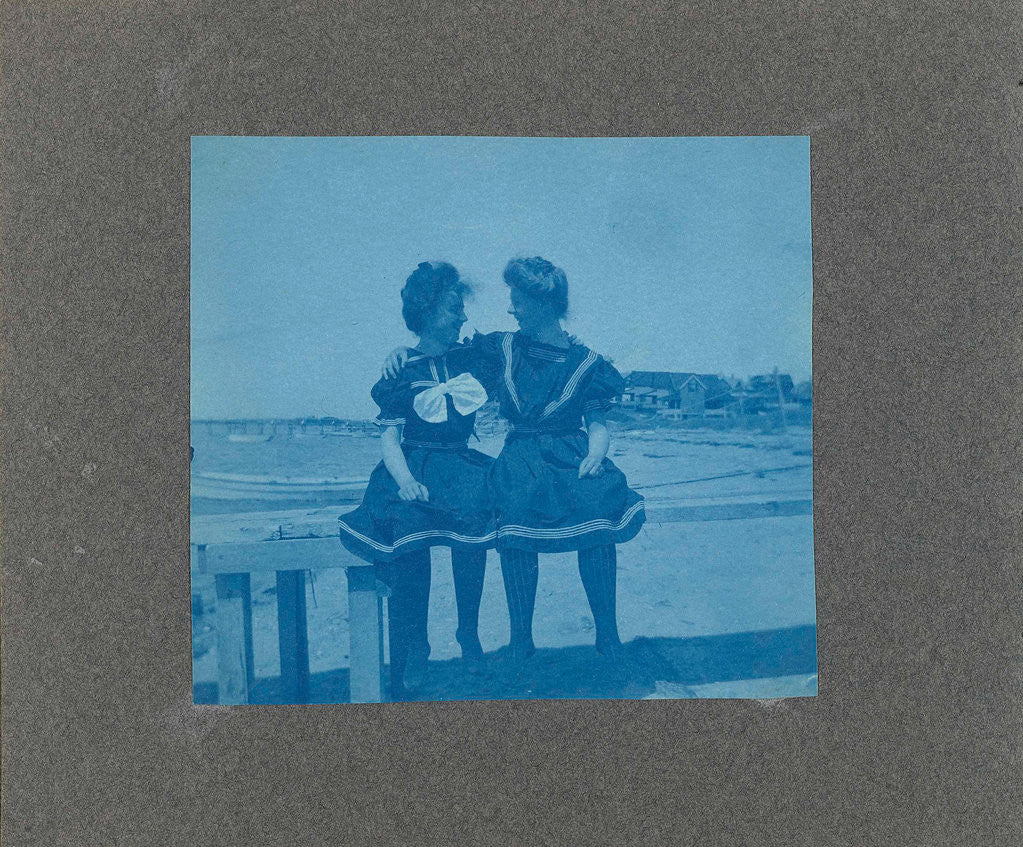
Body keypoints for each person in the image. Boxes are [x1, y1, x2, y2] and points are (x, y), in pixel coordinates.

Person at [385, 257, 644, 662]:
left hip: (571, 453)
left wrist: (597, 452)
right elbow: (441, 355)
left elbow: (597, 422)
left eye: (517, 300)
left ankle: (607, 633)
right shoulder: (503, 348)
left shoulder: (587, 362)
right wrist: (404, 349)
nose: (510, 309)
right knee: (515, 511)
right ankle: (521, 637)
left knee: (597, 509)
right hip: (520, 458)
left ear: (542, 304)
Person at [339, 262, 496, 699]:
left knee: (473, 540)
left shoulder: (472, 359)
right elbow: (389, 440)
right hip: (416, 469)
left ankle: (469, 634)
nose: (462, 317)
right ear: (426, 312)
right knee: (411, 543)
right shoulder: (401, 370)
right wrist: (405, 480)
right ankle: (417, 647)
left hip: (461, 467)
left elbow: (517, 349)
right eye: (453, 309)